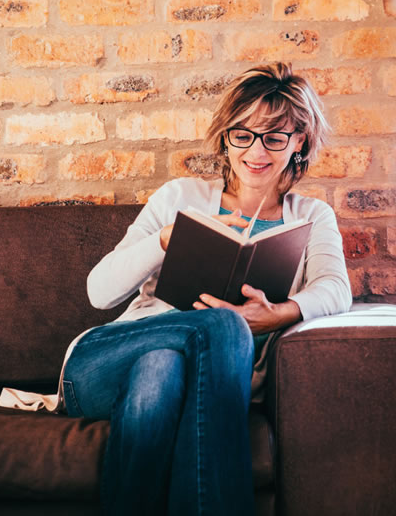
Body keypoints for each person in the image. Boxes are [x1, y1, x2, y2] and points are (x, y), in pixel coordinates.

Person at [65, 62, 351, 516]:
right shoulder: (179, 197)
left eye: (275, 137)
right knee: (220, 324)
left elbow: (336, 289)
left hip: (191, 377)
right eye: (244, 134)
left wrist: (278, 314)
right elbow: (99, 292)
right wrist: (165, 240)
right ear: (225, 137)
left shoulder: (311, 216)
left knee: (160, 372)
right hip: (102, 364)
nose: (257, 151)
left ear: (298, 142)